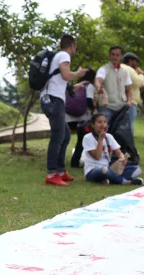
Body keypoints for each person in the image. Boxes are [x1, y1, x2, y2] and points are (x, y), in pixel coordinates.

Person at [40, 34, 88, 186]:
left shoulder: (58, 56)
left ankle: (60, 171)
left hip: (53, 98)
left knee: (65, 135)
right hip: (53, 100)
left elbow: (60, 80)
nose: (75, 50)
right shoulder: (63, 55)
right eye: (75, 47)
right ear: (72, 45)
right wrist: (78, 74)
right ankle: (52, 173)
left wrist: (76, 86)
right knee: (58, 136)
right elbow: (66, 74)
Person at [82, 113, 143, 185]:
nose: (102, 125)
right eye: (99, 122)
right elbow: (97, 156)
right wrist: (100, 139)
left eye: (104, 122)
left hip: (109, 168)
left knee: (137, 169)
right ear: (92, 125)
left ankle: (109, 179)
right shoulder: (87, 137)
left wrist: (122, 159)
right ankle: (126, 182)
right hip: (93, 171)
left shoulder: (109, 136)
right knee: (104, 170)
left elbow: (118, 152)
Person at [95, 46, 132, 125]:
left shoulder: (125, 72)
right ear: (109, 56)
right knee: (102, 130)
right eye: (113, 54)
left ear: (121, 57)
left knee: (123, 134)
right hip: (106, 107)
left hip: (121, 108)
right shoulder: (103, 69)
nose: (115, 57)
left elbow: (128, 90)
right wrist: (98, 87)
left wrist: (129, 101)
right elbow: (98, 80)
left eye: (117, 55)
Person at [67, 69, 96, 168]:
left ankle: (69, 162)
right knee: (82, 141)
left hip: (69, 117)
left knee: (65, 140)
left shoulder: (76, 85)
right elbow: (89, 101)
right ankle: (75, 163)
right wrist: (94, 108)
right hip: (83, 119)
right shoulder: (89, 86)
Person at [121, 52, 144, 135]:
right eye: (136, 62)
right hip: (130, 101)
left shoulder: (120, 67)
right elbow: (139, 82)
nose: (137, 64)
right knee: (129, 126)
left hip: (122, 99)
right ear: (131, 61)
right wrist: (141, 74)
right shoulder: (129, 69)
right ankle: (127, 145)